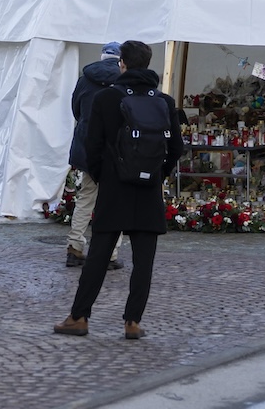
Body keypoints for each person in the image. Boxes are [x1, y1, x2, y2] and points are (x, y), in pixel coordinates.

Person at [54, 40, 183, 340]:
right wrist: (157, 174)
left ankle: (79, 317)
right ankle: (132, 322)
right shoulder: (164, 101)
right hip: (148, 189)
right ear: (147, 63)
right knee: (143, 262)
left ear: (121, 63)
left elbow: (92, 145)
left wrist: (105, 177)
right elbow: (176, 148)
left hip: (114, 188)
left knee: (98, 257)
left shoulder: (106, 98)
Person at [65, 41, 124, 269]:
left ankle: (75, 246)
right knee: (114, 201)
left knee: (86, 197)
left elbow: (76, 110)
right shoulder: (123, 80)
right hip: (114, 147)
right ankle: (110, 253)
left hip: (87, 145)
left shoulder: (85, 78)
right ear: (120, 60)